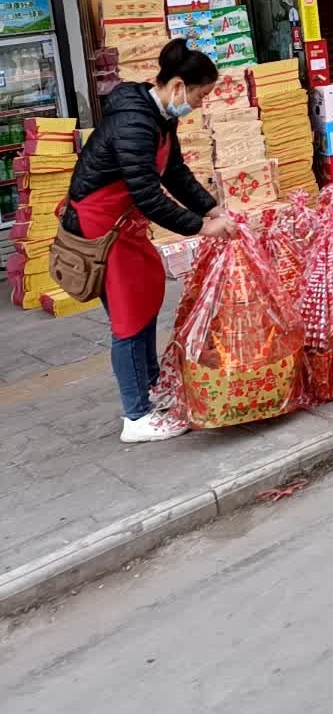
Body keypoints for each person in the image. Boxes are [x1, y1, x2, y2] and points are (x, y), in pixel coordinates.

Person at [63, 40, 236, 443]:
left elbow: (174, 172)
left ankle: (153, 389)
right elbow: (147, 193)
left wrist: (210, 209)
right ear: (178, 86)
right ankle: (136, 416)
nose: (199, 104)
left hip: (126, 227)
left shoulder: (159, 118)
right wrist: (198, 227)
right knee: (128, 320)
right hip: (101, 229)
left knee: (145, 302)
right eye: (199, 95)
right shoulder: (134, 122)